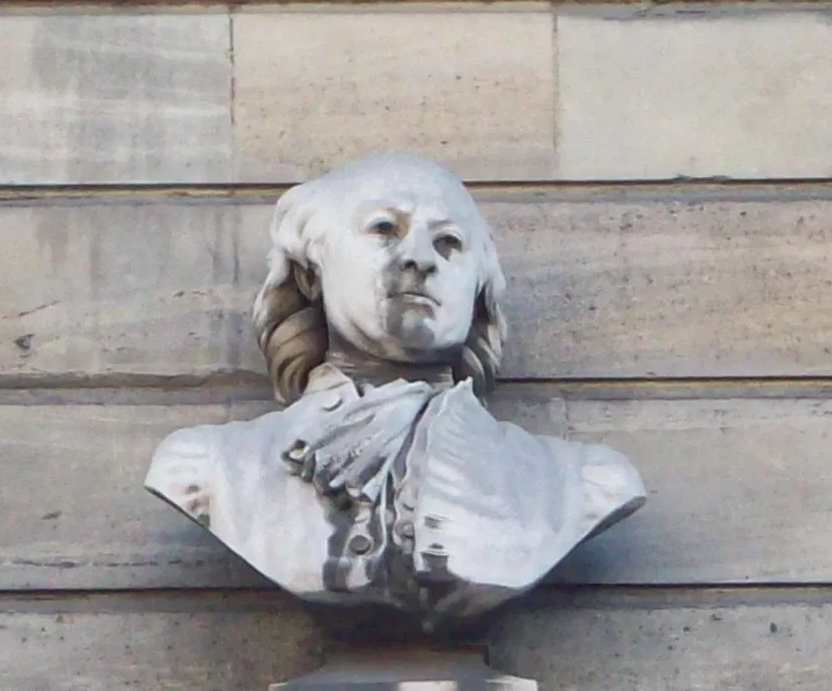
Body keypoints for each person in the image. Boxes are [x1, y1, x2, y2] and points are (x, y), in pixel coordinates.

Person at [146, 152, 646, 632]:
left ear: (478, 288)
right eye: (385, 229)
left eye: (449, 242)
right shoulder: (213, 468)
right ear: (309, 272)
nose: (419, 259)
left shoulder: (576, 484)